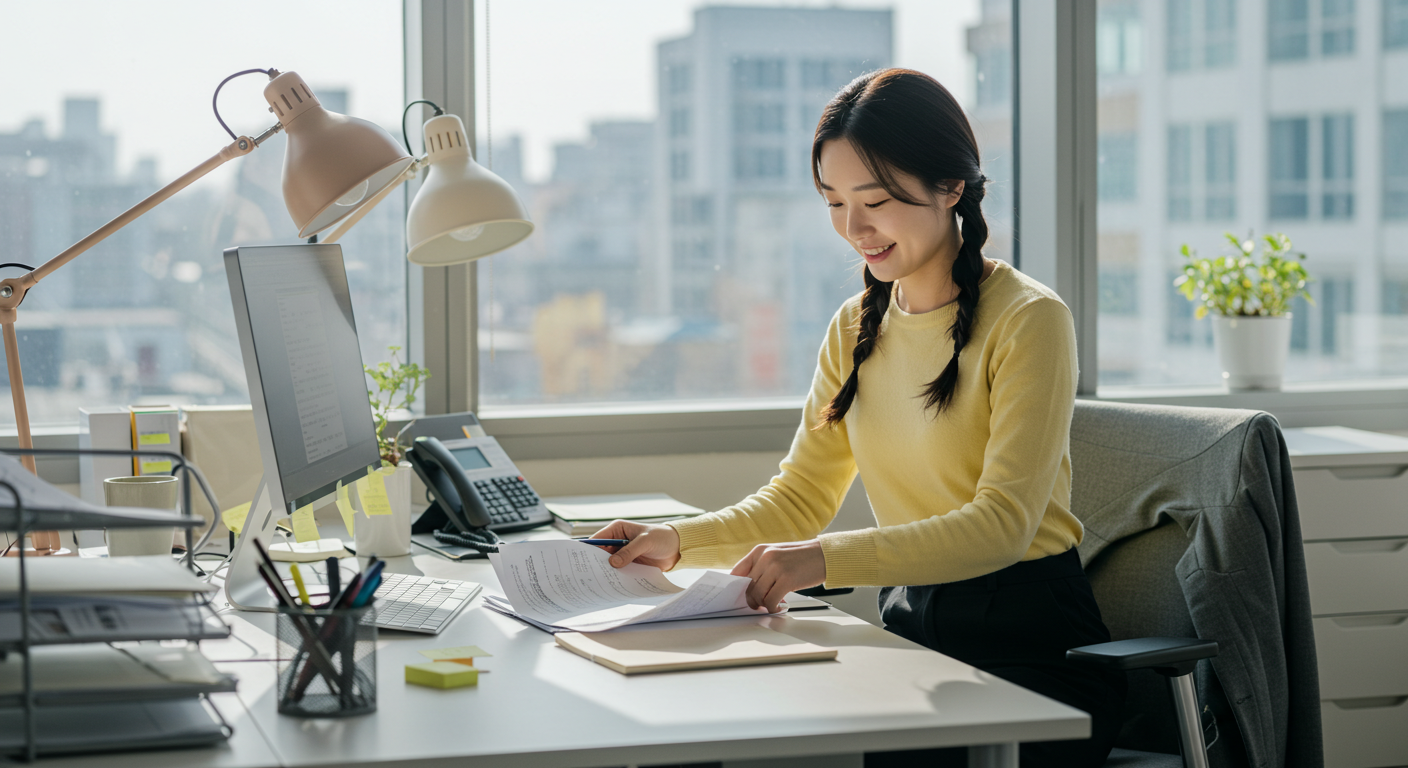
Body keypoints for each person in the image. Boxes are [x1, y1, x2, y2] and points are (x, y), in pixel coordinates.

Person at [594, 68, 1125, 767]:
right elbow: (801, 498)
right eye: (834, 201)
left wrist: (822, 559)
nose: (853, 228)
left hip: (1031, 647)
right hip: (912, 634)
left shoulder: (1029, 320)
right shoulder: (855, 327)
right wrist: (675, 541)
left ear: (950, 187)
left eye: (874, 201)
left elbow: (1003, 525)